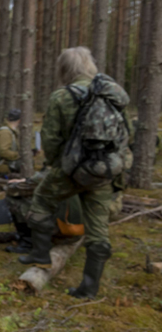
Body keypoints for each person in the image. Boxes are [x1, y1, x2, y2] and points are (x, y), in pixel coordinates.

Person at [18, 47, 131, 300]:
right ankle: (89, 288)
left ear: (64, 69)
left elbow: (50, 139)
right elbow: (126, 134)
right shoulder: (111, 94)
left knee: (40, 201)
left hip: (69, 171)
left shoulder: (62, 96)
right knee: (98, 230)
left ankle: (41, 255)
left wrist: (59, 166)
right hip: (103, 171)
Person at [0, 108, 22, 175]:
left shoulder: (10, 131)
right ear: (19, 121)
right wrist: (20, 155)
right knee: (24, 163)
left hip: (4, 162)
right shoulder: (5, 132)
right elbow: (3, 152)